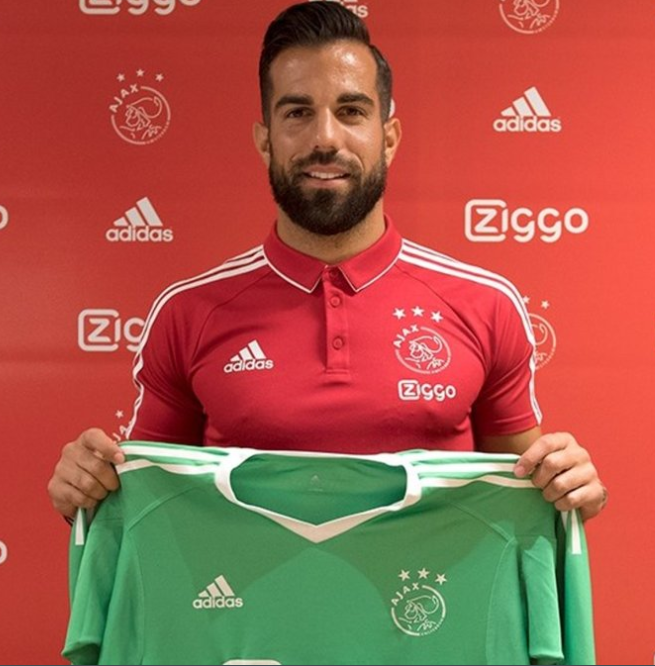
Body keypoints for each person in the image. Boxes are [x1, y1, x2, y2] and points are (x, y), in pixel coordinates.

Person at [48, 1, 607, 522]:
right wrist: (88, 488)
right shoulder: (188, 313)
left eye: (351, 111)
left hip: (428, 600)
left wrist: (571, 488)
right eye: (297, 113)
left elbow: (522, 493)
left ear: (389, 137)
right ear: (265, 141)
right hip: (246, 603)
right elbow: (149, 507)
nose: (325, 137)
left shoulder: (484, 304)